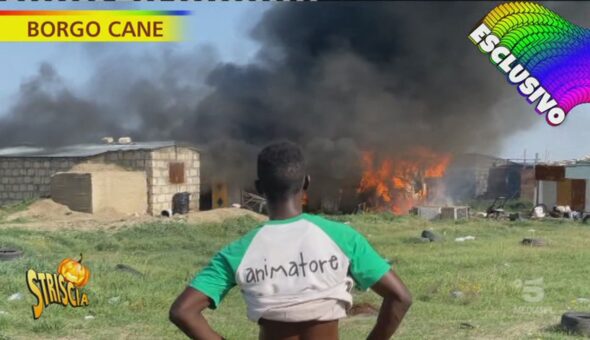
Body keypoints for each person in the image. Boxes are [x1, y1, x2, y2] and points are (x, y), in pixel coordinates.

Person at [169, 141, 412, 340]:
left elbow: (183, 311)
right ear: (306, 182)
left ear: (259, 187)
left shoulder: (239, 251)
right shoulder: (343, 237)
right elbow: (400, 297)